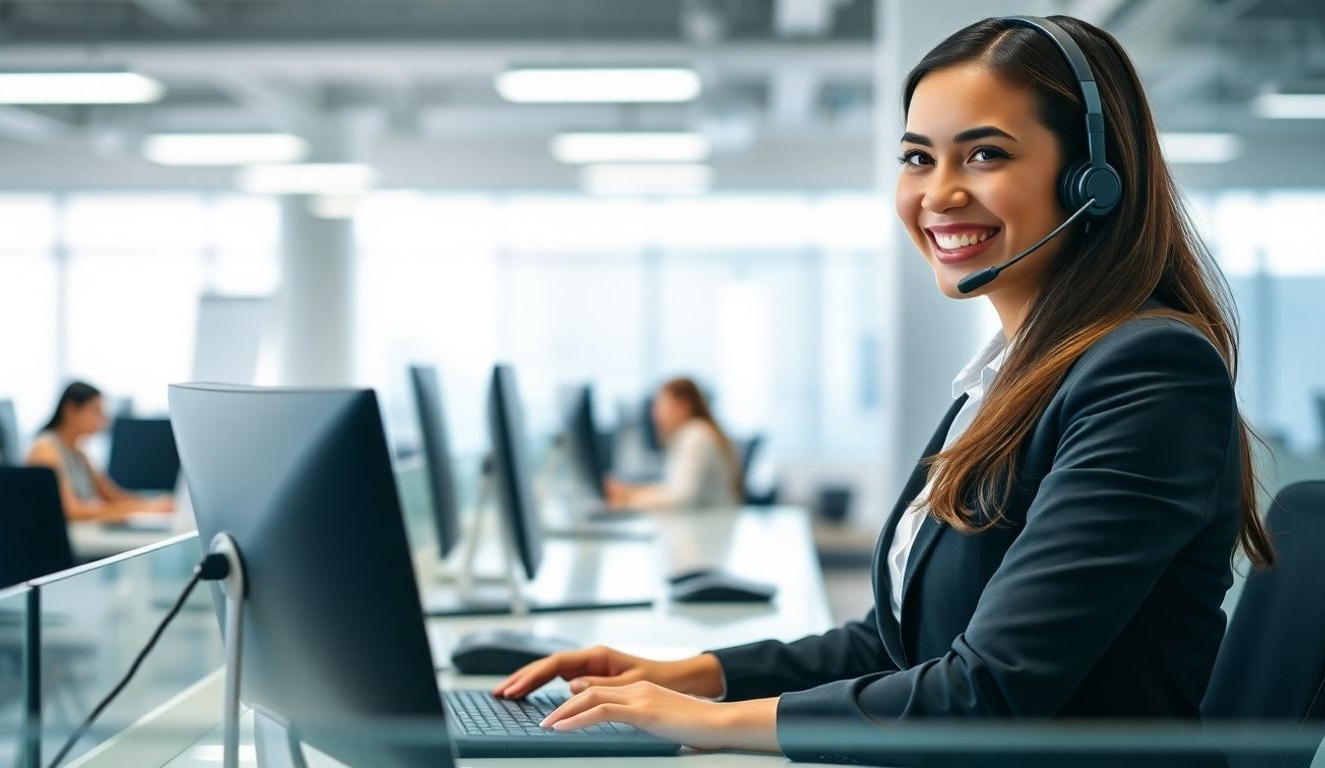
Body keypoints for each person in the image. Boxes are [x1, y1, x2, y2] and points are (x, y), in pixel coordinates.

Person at [492, 15, 1276, 761]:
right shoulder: (1011, 375)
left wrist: (711, 723)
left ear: (1091, 181)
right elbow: (894, 642)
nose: (938, 194)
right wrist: (688, 676)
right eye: (917, 158)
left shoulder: (1147, 372)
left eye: (984, 154)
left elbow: (985, 693)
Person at [27, 382, 173, 523]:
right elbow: (71, 511)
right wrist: (143, 509)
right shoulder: (45, 449)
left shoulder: (78, 453)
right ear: (70, 410)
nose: (103, 422)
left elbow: (114, 496)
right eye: (96, 412)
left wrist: (152, 504)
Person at [605, 377, 741, 510]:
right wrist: (631, 493)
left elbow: (681, 498)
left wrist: (630, 498)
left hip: (711, 521)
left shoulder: (696, 437)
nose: (655, 415)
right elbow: (673, 489)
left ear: (683, 406)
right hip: (706, 519)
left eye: (661, 406)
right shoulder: (689, 435)